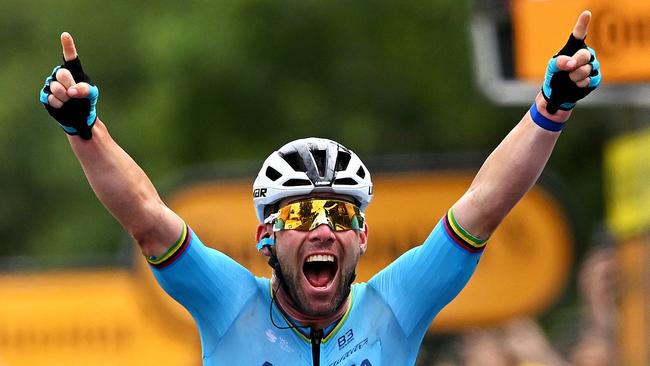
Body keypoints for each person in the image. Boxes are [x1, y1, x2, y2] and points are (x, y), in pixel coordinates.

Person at [38, 10, 601, 366]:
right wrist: (87, 132)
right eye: (302, 216)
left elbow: (484, 205)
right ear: (265, 235)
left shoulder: (394, 306)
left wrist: (550, 109)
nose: (325, 228)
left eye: (339, 213)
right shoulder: (231, 303)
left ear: (362, 236)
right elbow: (145, 215)